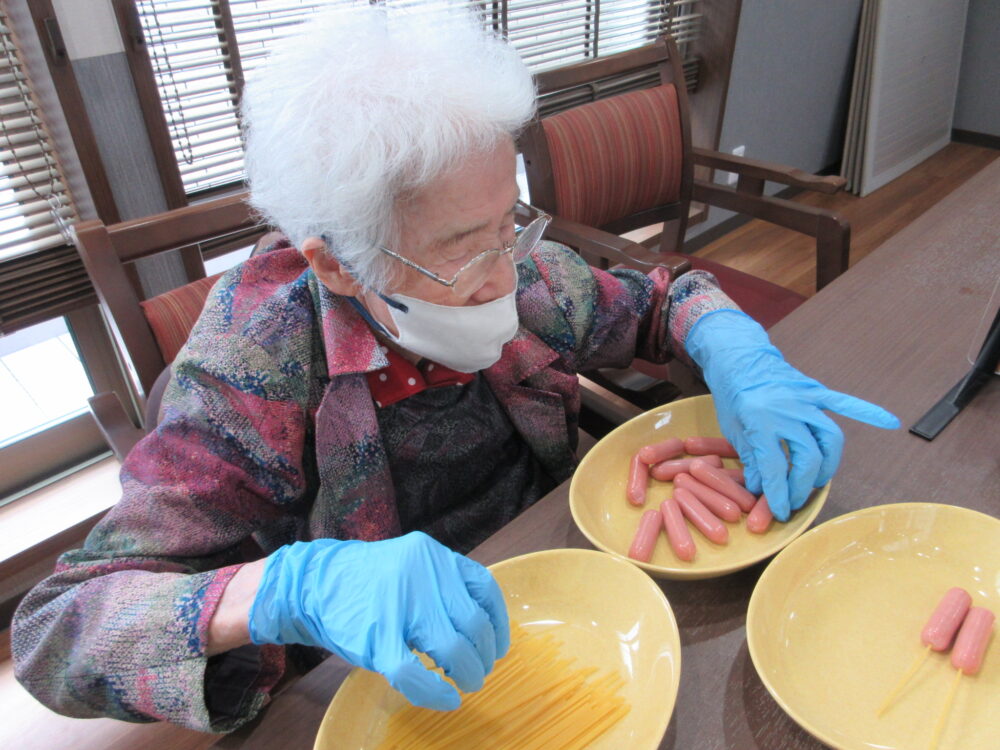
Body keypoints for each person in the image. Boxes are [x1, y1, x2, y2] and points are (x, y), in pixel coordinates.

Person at [11, 1, 899, 733]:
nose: (509, 277)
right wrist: (286, 589)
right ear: (333, 264)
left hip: (562, 580)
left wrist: (739, 353)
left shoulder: (511, 266)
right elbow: (58, 631)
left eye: (510, 224)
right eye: (464, 252)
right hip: (385, 677)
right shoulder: (256, 362)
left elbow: (660, 300)